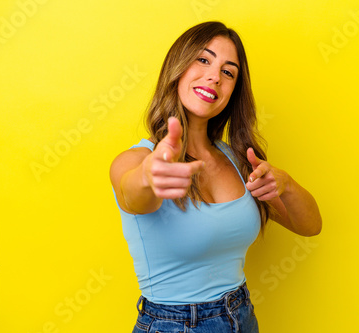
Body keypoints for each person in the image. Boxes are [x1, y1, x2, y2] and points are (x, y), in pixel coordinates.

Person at [110, 21, 322, 333]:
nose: (214, 76)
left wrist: (285, 183)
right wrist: (149, 176)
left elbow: (310, 226)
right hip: (173, 325)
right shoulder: (137, 159)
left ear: (233, 91)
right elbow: (133, 195)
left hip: (241, 315)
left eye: (229, 71)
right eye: (204, 60)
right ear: (177, 68)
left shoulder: (238, 159)